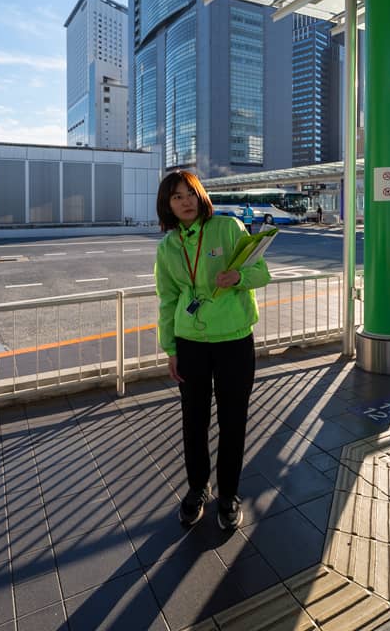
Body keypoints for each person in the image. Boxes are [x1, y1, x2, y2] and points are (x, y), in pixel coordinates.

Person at [154, 171, 271, 531]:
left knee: (233, 420)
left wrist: (238, 278)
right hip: (190, 344)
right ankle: (197, 488)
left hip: (234, 340)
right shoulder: (168, 247)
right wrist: (170, 348)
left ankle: (229, 494)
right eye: (176, 197)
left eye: (190, 193)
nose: (186, 201)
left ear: (201, 194)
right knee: (194, 421)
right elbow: (167, 300)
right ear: (168, 206)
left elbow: (261, 271)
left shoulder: (228, 227)